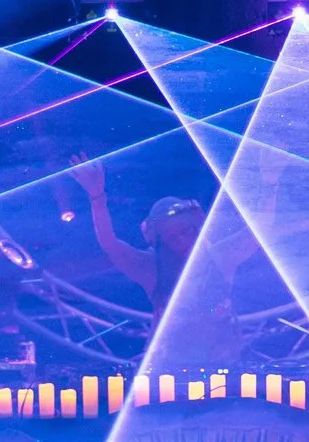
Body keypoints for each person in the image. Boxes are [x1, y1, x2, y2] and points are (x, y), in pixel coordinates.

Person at [67, 155, 279, 368]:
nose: (182, 240)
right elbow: (110, 243)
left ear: (196, 228)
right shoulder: (151, 268)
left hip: (223, 366)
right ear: (160, 241)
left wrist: (270, 181)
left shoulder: (218, 257)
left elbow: (259, 229)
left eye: (185, 231)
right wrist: (97, 197)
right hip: (168, 371)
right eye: (171, 236)